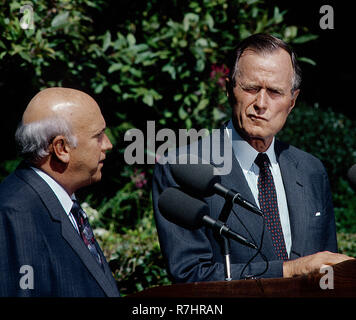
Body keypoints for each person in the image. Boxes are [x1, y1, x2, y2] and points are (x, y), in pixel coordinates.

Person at [152, 34, 353, 283]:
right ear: (228, 89)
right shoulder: (185, 167)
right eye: (251, 88)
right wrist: (288, 270)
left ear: (292, 101)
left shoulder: (311, 170)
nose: (261, 103)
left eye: (275, 92)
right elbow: (191, 275)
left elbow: (327, 272)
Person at [0, 87, 120, 297]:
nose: (108, 144)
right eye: (98, 136)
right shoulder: (17, 215)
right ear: (61, 148)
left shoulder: (56, 200)